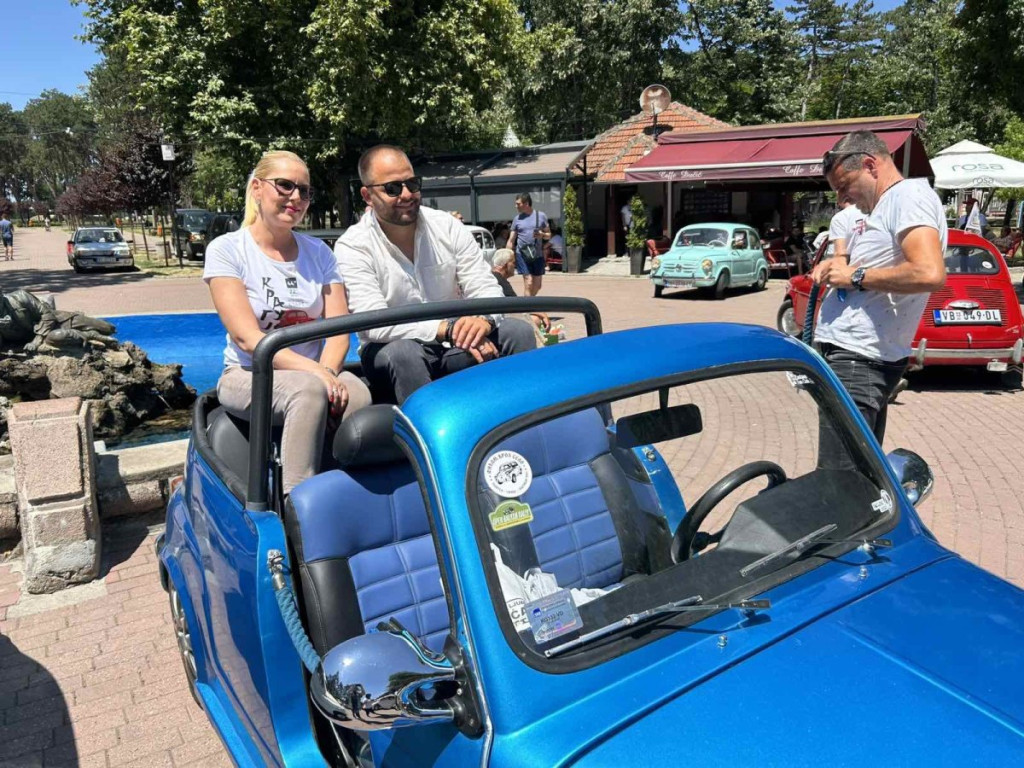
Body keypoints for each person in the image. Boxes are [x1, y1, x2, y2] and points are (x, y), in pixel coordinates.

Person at [203, 150, 371, 494]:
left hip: (315, 372)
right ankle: (297, 503)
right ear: (257, 188)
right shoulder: (227, 250)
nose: (296, 197)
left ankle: (347, 496)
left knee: (357, 395)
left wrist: (329, 374)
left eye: (304, 191)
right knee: (307, 392)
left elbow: (339, 333)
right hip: (249, 373)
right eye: (284, 185)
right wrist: (319, 376)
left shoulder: (320, 253)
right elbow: (248, 339)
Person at [336, 145, 536, 405]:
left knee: (518, 331)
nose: (407, 194)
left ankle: (522, 420)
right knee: (404, 353)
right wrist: (446, 330)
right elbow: (375, 322)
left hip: (454, 343)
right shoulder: (353, 246)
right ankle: (426, 430)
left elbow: (484, 285)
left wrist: (483, 321)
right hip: (392, 349)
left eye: (412, 184)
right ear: (367, 195)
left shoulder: (447, 227)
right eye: (392, 188)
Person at [812, 130, 946, 459]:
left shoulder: (907, 197)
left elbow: (928, 272)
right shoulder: (885, 206)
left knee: (840, 474)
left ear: (871, 165)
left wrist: (855, 276)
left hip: (859, 359)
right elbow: (870, 265)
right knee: (860, 467)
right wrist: (838, 268)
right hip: (857, 357)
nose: (843, 198)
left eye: (845, 186)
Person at [490, 248, 551, 332]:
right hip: (499, 321)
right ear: (506, 264)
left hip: (495, 317)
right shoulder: (500, 281)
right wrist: (540, 313)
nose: (515, 266)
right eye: (513, 263)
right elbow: (516, 305)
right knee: (535, 320)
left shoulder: (493, 277)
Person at [507, 193, 549, 296]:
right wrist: (508, 255)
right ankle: (528, 305)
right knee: (528, 281)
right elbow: (511, 240)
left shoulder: (541, 216)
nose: (516, 206)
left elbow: (548, 235)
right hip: (522, 253)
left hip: (537, 254)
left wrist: (542, 235)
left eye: (518, 204)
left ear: (526, 203)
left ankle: (529, 301)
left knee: (537, 285)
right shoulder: (517, 219)